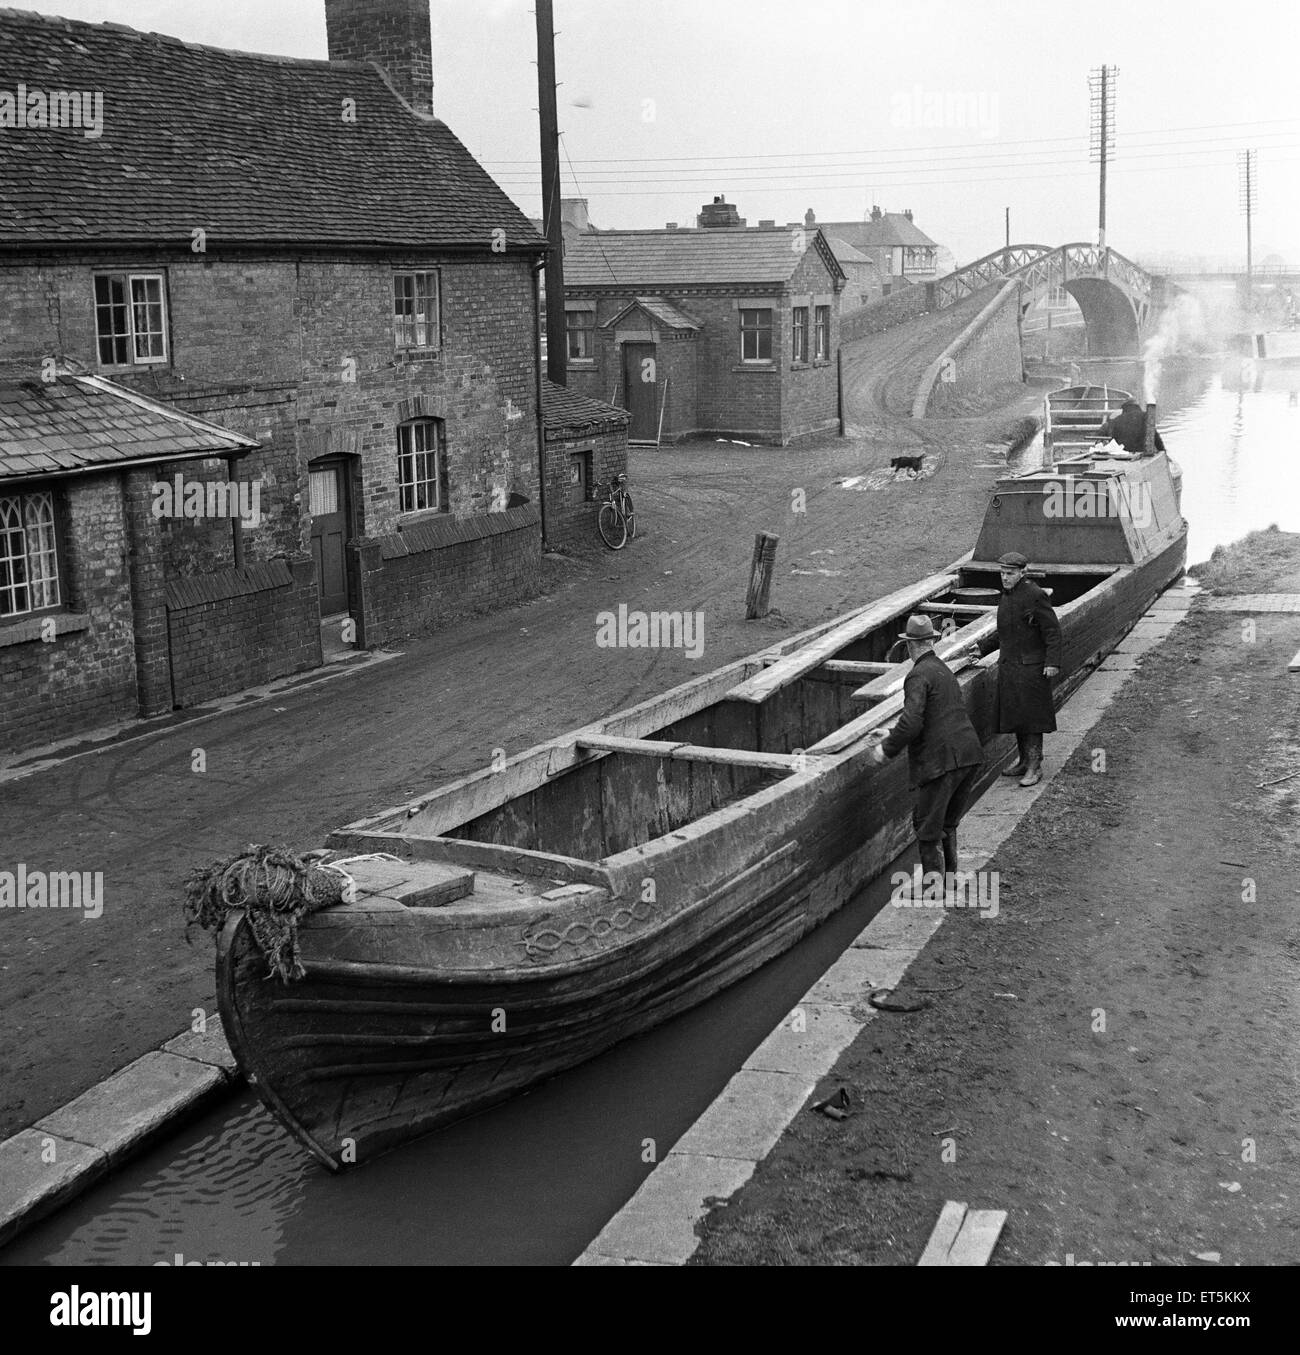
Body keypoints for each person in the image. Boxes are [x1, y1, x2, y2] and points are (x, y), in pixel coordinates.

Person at [867, 614, 984, 885]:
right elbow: (937, 715)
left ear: (910, 646)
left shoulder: (917, 675)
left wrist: (886, 748)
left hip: (941, 762)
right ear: (930, 641)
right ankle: (950, 878)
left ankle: (934, 886)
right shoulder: (942, 669)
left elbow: (912, 722)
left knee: (926, 825)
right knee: (947, 823)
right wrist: (889, 731)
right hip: (968, 754)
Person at [993, 551, 1061, 787]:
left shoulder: (1035, 595)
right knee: (1018, 716)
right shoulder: (1007, 596)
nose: (1004, 578)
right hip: (1011, 668)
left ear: (1022, 573)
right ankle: (1023, 762)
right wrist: (980, 649)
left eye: (1009, 573)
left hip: (1032, 669)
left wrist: (1052, 662)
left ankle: (1035, 766)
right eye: (1002, 573)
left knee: (1032, 719)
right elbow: (1004, 631)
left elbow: (1052, 631)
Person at [1097, 399, 1165, 456]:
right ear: (1137, 407)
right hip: (1142, 453)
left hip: (1122, 454)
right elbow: (1155, 438)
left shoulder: (1116, 420)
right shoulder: (1146, 417)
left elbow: (1112, 439)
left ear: (1124, 408)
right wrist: (1163, 451)